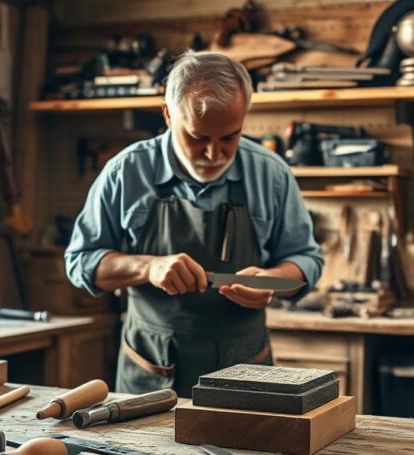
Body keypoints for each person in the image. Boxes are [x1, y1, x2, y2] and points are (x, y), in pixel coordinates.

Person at [64, 50, 323, 396]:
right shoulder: (126, 172)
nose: (214, 155)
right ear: (168, 115)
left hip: (246, 370)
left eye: (229, 137)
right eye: (198, 138)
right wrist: (147, 267)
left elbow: (308, 259)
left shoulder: (271, 174)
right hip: (150, 375)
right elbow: (81, 262)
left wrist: (273, 281)